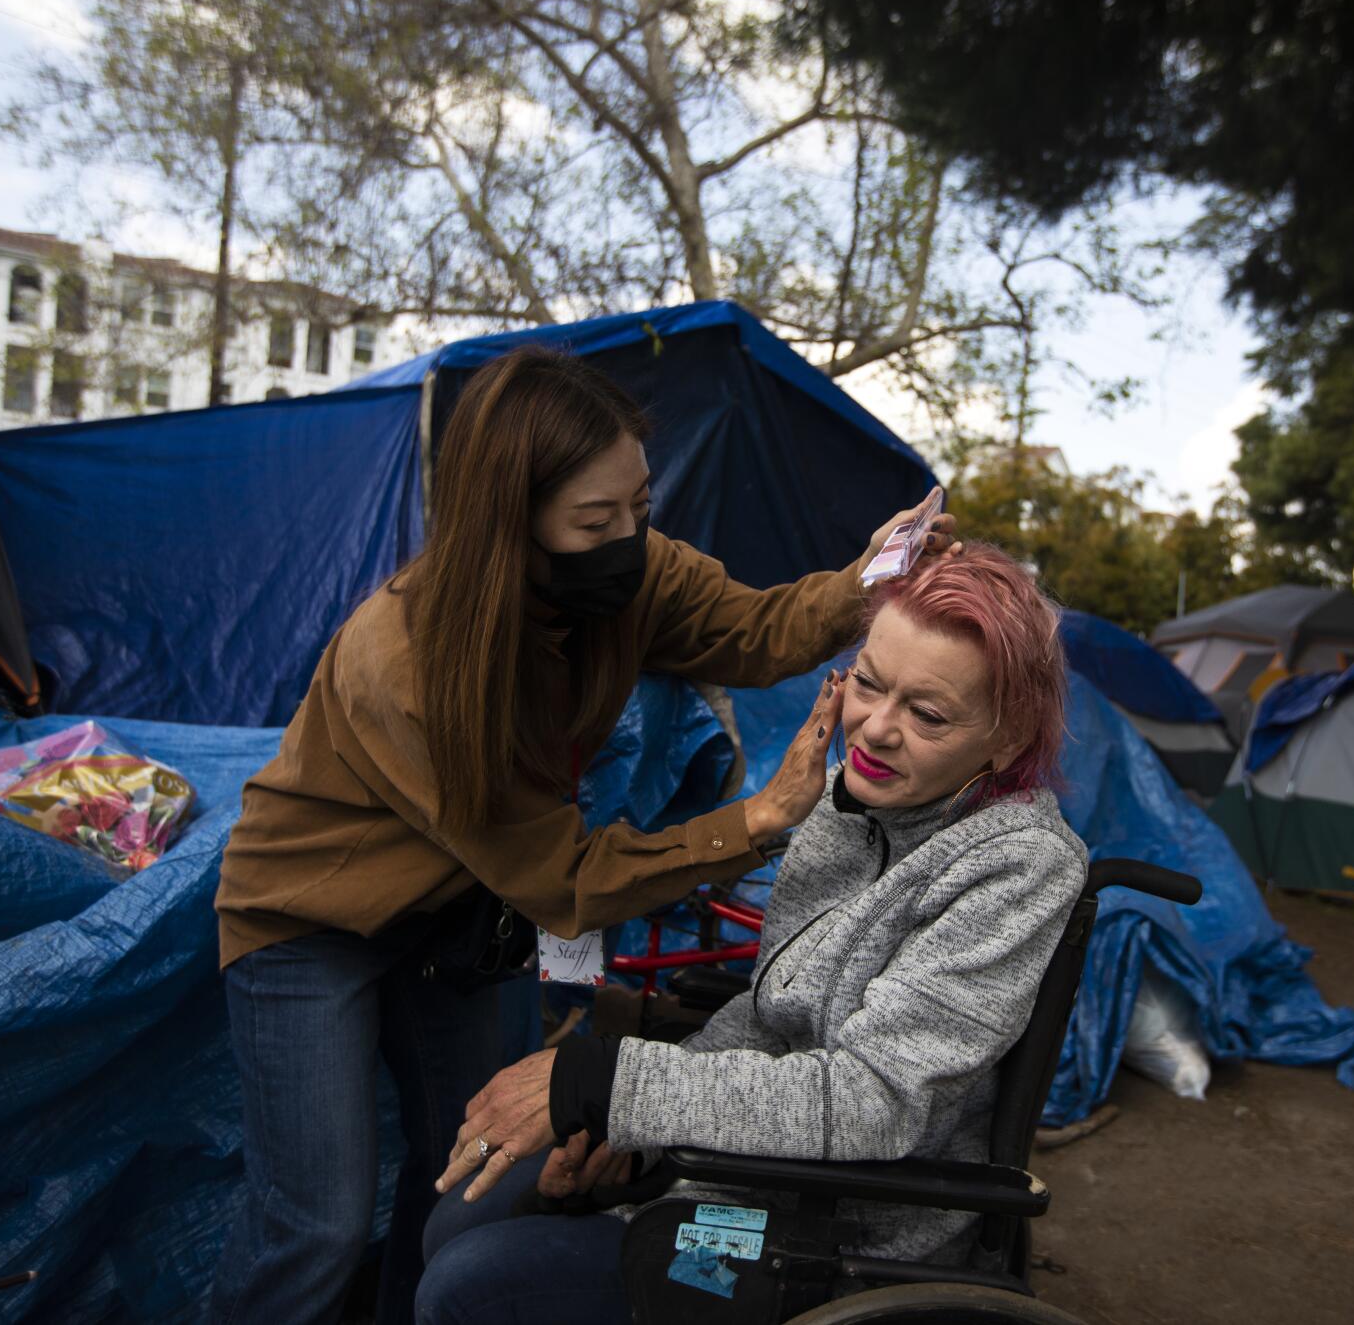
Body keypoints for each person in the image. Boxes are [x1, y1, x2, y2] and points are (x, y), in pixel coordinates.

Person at [205, 345, 957, 1325]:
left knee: (459, 1177)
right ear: (507, 526)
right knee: (316, 1218)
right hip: (309, 917)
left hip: (456, 912)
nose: (630, 538)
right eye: (595, 521)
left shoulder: (630, 571)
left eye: (639, 506)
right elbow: (559, 880)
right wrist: (759, 819)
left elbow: (753, 628)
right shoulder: (409, 666)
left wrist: (870, 579)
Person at [415, 543, 1086, 1325]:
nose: (875, 728)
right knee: (463, 1215)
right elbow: (767, 1018)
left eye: (928, 714)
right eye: (868, 684)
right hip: (738, 1168)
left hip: (837, 1230)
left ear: (1006, 741)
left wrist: (615, 1083)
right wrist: (637, 1141)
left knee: (468, 1285)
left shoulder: (1018, 866)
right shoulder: (848, 802)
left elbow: (876, 1101)